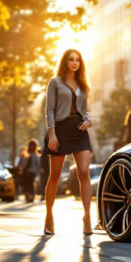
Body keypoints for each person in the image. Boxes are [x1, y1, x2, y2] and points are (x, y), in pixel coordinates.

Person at [42, 49, 95, 236]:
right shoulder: (55, 83)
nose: (75, 63)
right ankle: (49, 215)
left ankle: (87, 216)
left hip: (80, 131)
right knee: (54, 176)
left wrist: (89, 121)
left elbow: (86, 110)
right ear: (65, 62)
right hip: (61, 129)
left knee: (83, 173)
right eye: (71, 60)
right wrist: (52, 133)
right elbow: (49, 110)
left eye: (78, 60)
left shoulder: (83, 84)